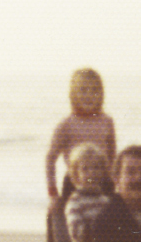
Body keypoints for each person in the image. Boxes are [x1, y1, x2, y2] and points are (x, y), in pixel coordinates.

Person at [45, 68, 116, 201]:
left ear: (101, 94)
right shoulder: (66, 124)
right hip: (75, 182)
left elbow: (112, 156)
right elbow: (50, 159)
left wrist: (115, 182)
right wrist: (53, 194)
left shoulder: (107, 121)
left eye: (94, 90)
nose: (89, 95)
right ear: (73, 94)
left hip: (103, 182)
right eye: (83, 90)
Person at [63, 143, 111, 242]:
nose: (92, 172)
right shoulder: (75, 202)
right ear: (76, 174)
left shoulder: (106, 200)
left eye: (96, 167)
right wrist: (101, 229)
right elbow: (77, 236)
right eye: (85, 169)